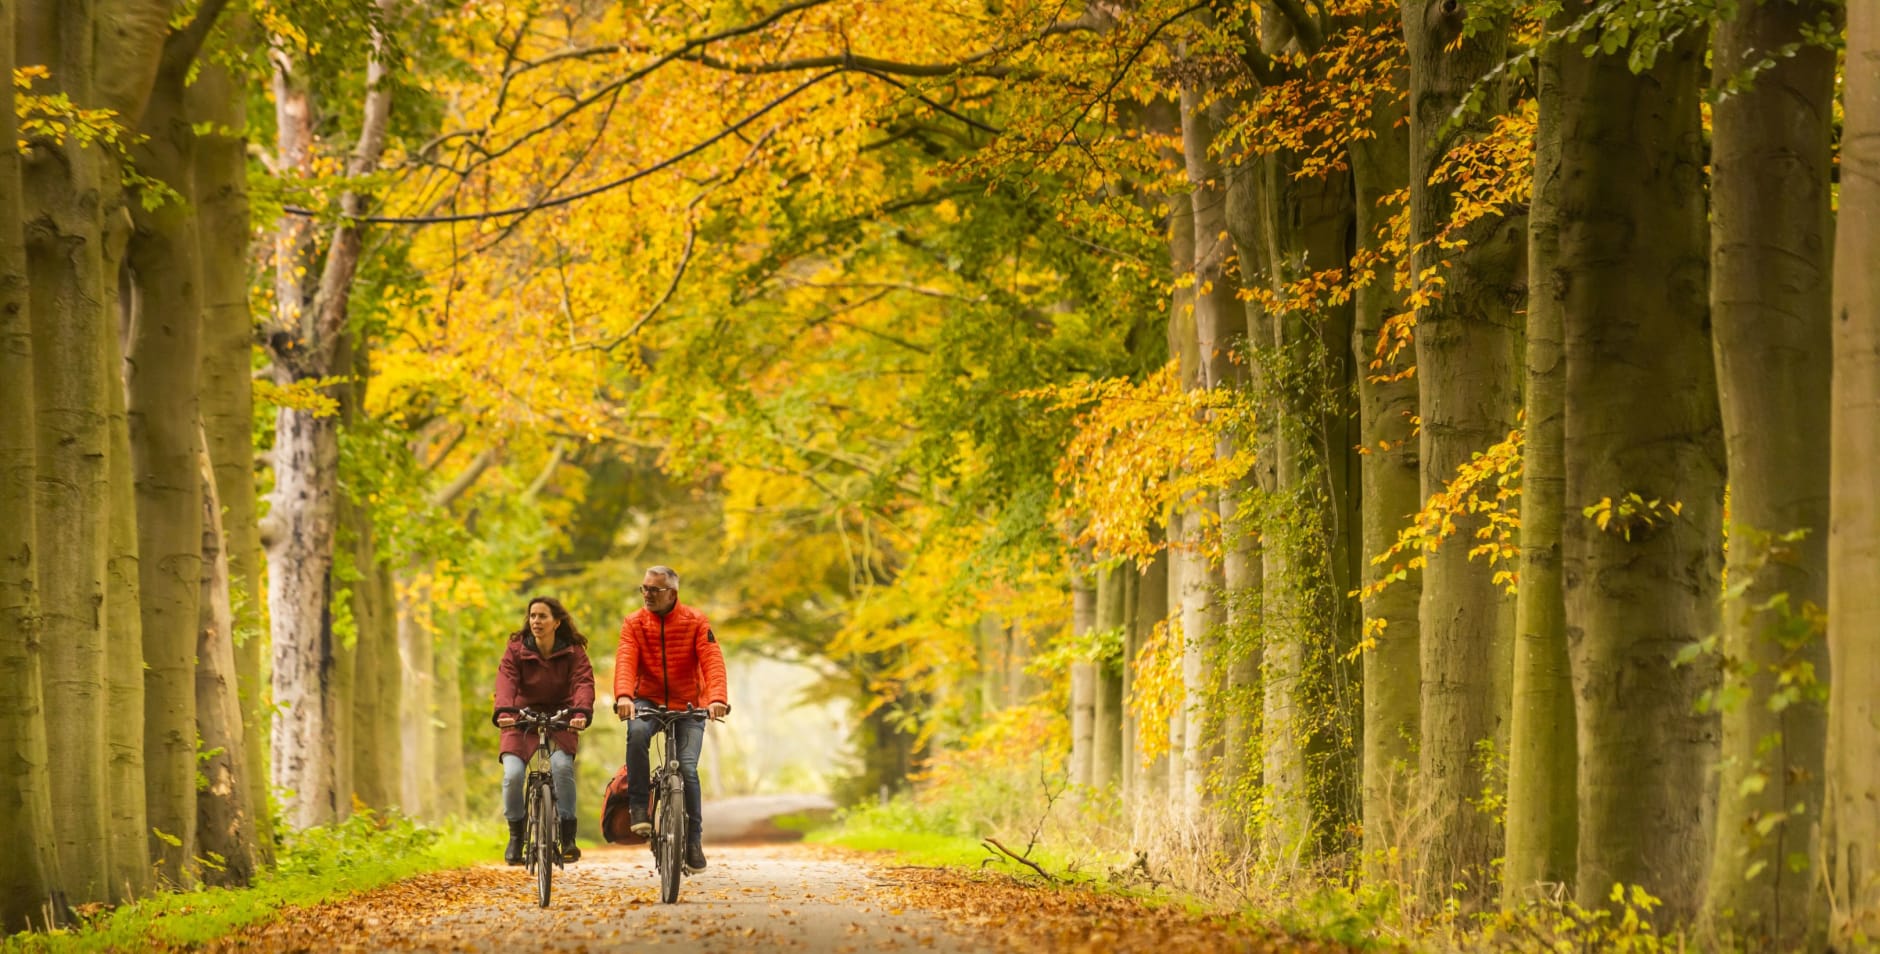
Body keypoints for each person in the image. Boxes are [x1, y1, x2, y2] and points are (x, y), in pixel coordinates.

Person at [615, 565, 730, 871]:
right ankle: (639, 807)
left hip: (689, 705)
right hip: (646, 700)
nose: (647, 595)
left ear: (673, 593)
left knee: (688, 770)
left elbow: (712, 661)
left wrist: (716, 699)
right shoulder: (634, 623)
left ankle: (693, 841)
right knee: (637, 733)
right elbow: (626, 660)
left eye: (654, 590)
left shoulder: (695, 621)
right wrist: (624, 696)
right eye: (644, 588)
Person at [492, 596, 595, 866]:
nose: (535, 621)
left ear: (557, 622)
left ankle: (568, 835)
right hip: (520, 715)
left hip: (562, 715)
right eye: (532, 616)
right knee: (513, 775)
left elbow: (583, 682)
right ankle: (516, 835)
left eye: (542, 616)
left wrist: (581, 712)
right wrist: (504, 711)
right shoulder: (516, 649)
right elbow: (506, 680)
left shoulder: (574, 652)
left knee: (561, 768)